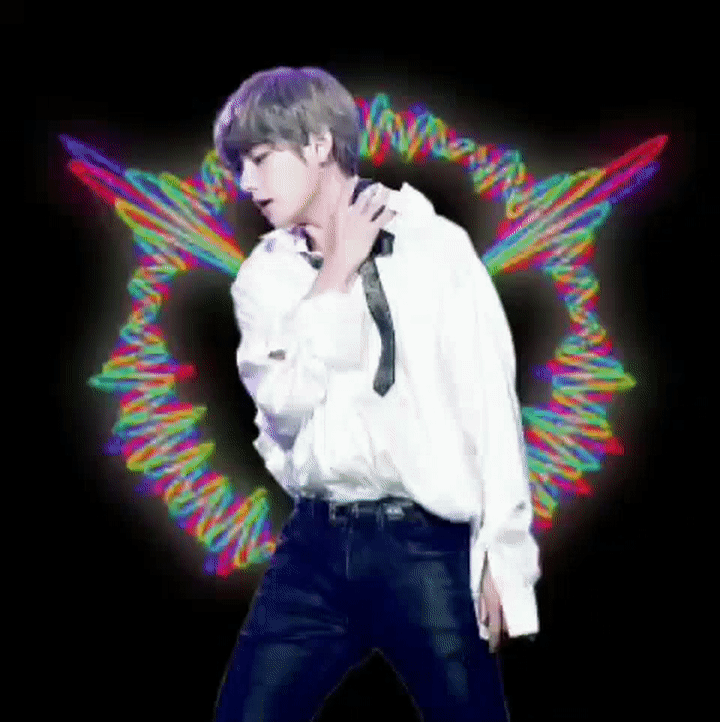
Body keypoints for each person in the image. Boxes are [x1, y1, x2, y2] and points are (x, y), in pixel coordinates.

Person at [211, 66, 541, 722]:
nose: (246, 183)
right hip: (316, 546)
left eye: (260, 158)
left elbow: (491, 406)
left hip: (426, 547)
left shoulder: (434, 248)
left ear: (318, 144)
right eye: (239, 166)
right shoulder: (263, 278)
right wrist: (335, 273)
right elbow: (283, 404)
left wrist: (503, 557)